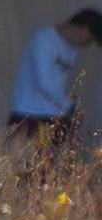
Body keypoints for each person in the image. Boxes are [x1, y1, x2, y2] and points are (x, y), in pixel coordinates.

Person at [7, 8, 102, 150]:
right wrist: (70, 106)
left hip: (55, 115)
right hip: (30, 114)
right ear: (84, 29)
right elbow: (44, 83)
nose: (86, 45)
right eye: (89, 40)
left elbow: (58, 85)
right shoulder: (43, 39)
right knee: (29, 168)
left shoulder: (71, 49)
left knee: (57, 168)